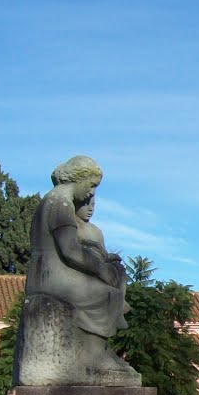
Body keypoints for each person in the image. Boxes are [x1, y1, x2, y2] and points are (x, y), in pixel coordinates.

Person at [22, 155, 137, 379]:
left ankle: (99, 349)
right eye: (92, 185)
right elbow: (69, 249)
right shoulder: (59, 202)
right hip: (51, 274)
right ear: (79, 178)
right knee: (105, 295)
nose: (91, 193)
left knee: (109, 288)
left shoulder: (56, 201)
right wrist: (100, 268)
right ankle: (95, 355)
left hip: (51, 270)